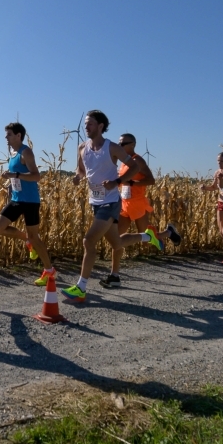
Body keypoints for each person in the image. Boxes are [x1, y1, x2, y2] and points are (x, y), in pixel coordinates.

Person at [60, 111, 169, 303]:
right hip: (95, 201)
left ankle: (81, 287)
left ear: (101, 126)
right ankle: (147, 236)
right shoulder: (81, 148)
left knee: (88, 241)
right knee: (117, 243)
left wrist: (117, 181)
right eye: (86, 124)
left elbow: (134, 167)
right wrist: (78, 177)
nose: (86, 127)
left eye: (90, 124)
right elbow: (82, 170)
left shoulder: (112, 148)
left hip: (110, 202)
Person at [104, 133, 180, 287]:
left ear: (132, 144)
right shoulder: (123, 162)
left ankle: (168, 232)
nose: (119, 146)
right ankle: (115, 275)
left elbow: (150, 180)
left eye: (122, 143)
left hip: (138, 203)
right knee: (116, 238)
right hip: (124, 204)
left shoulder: (137, 160)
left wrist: (131, 183)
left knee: (147, 238)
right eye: (118, 144)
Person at [0, 122, 56, 287]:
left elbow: (36, 176)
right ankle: (28, 240)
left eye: (9, 135)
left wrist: (16, 174)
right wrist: (10, 183)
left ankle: (49, 270)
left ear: (18, 135)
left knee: (36, 237)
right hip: (16, 199)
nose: (6, 138)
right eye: (6, 135)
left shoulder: (25, 152)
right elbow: (16, 177)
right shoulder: (12, 153)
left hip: (30, 201)